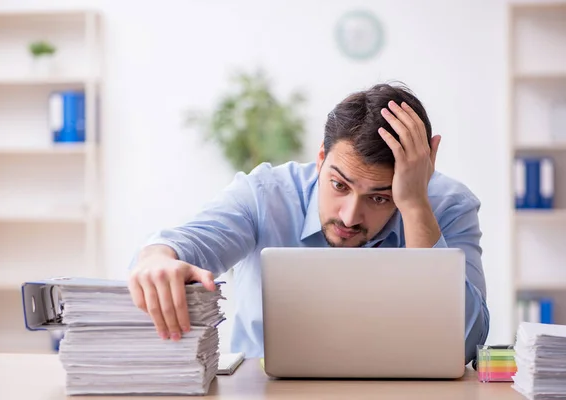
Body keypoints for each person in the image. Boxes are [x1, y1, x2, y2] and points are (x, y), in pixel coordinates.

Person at [128, 82, 490, 364]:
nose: (350, 216)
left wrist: (413, 204)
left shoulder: (447, 206)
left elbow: (464, 344)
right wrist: (157, 257)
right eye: (339, 185)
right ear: (320, 159)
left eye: (380, 197)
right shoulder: (265, 194)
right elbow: (187, 243)